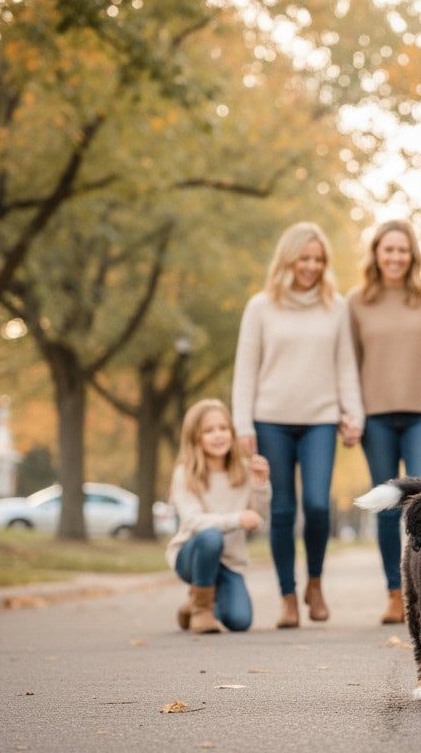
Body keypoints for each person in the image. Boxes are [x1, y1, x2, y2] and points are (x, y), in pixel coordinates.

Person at [232, 222, 364, 628]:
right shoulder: (261, 307)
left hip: (320, 419)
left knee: (319, 505)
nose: (311, 266)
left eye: (318, 259)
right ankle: (288, 597)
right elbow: (246, 370)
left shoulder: (335, 306)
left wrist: (353, 413)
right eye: (304, 258)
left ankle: (316, 583)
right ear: (287, 258)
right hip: (270, 419)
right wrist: (242, 423)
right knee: (284, 509)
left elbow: (345, 365)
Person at [347, 218, 421, 625]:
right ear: (376, 253)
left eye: (401, 250)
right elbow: (349, 363)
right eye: (387, 249)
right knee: (389, 506)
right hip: (375, 417)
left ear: (412, 255)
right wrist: (349, 412)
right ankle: (396, 593)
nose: (394, 257)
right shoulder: (357, 301)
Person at [165, 398, 271, 633]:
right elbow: (193, 522)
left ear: (232, 433)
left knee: (239, 620)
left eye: (223, 428)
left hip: (230, 562)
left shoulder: (243, 471)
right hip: (192, 556)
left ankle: (193, 606)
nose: (218, 435)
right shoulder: (185, 473)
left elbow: (257, 518)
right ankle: (202, 611)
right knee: (211, 537)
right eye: (208, 430)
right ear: (195, 438)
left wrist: (260, 485)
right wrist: (235, 519)